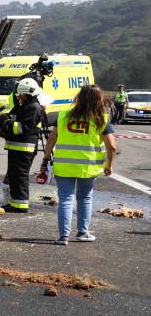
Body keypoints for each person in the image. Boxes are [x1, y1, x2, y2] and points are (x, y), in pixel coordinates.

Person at [44, 85, 117, 244]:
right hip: (88, 167)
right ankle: (82, 233)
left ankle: (63, 237)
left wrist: (45, 159)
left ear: (80, 97)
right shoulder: (101, 119)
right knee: (84, 198)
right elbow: (112, 146)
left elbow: (51, 138)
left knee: (65, 199)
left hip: (64, 165)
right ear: (99, 100)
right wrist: (109, 165)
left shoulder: (63, 116)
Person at [0, 78, 48, 213]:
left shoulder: (33, 108)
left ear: (26, 94)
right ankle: (15, 203)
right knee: (14, 176)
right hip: (16, 147)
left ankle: (20, 204)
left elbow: (22, 129)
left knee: (20, 176)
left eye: (20, 94)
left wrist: (6, 123)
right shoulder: (24, 106)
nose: (18, 96)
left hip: (23, 148)